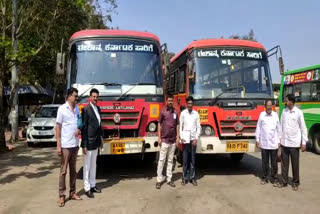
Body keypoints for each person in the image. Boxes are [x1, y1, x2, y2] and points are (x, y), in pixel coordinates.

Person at [56, 87, 82, 207]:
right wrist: (58, 145)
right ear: (69, 96)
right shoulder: (62, 109)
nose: (77, 98)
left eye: (77, 96)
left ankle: (72, 192)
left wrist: (79, 130)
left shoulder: (77, 109)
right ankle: (61, 195)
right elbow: (58, 127)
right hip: (65, 145)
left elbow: (79, 123)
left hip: (75, 144)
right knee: (63, 171)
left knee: (73, 170)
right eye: (75, 96)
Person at [280, 94, 308, 191]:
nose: (285, 102)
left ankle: (295, 182)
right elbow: (281, 126)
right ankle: (284, 181)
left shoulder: (299, 112)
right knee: (284, 164)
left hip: (294, 143)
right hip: (284, 142)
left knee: (295, 164)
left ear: (291, 101)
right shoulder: (284, 111)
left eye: (287, 100)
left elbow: (303, 128)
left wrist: (303, 142)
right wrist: (279, 140)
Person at [81, 88, 102, 198]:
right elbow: (84, 128)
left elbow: (99, 126)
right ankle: (87, 187)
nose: (95, 98)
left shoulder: (98, 109)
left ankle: (93, 185)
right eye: (94, 96)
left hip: (96, 142)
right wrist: (84, 144)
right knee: (87, 166)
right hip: (88, 142)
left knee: (94, 165)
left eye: (97, 97)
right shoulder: (86, 110)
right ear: (90, 97)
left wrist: (101, 139)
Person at [156, 95, 179, 189]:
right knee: (161, 160)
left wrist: (178, 137)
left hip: (173, 140)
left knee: (170, 161)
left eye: (171, 101)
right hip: (164, 140)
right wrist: (159, 138)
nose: (170, 102)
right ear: (166, 101)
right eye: (169, 100)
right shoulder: (163, 111)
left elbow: (177, 124)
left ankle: (169, 179)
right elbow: (159, 124)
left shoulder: (175, 112)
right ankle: (159, 180)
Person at [255, 100, 281, 186]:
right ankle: (265, 177)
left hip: (273, 144)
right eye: (268, 106)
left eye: (271, 106)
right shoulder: (262, 115)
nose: (269, 107)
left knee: (274, 163)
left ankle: (275, 178)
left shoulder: (275, 115)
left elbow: (278, 129)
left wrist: (279, 141)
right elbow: (258, 127)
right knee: (264, 162)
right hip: (264, 143)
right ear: (265, 106)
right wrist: (257, 140)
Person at [179, 96, 201, 186]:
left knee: (192, 160)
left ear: (193, 104)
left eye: (191, 103)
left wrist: (196, 138)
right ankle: (184, 178)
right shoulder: (183, 113)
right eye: (188, 103)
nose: (190, 105)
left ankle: (192, 178)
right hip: (185, 140)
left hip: (193, 140)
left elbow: (199, 127)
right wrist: (181, 137)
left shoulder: (196, 114)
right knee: (185, 160)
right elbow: (180, 126)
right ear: (186, 104)